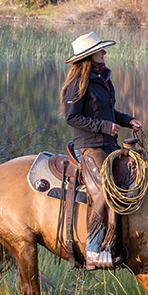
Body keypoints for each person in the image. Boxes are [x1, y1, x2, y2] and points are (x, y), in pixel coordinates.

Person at [61, 32, 142, 270]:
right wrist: (105, 127)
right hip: (89, 146)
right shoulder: (78, 84)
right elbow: (72, 117)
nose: (104, 53)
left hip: (107, 144)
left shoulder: (103, 80)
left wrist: (129, 120)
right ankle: (94, 250)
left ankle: (120, 244)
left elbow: (108, 112)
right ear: (89, 57)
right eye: (100, 51)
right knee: (105, 192)